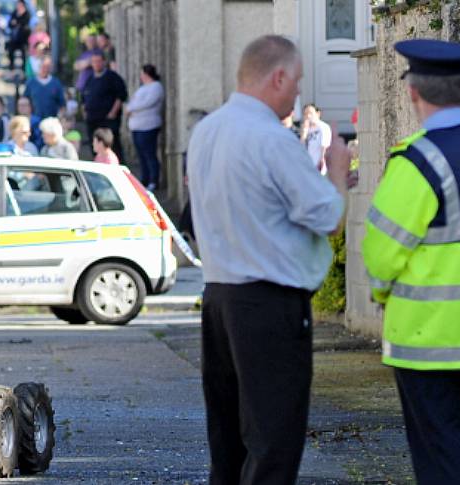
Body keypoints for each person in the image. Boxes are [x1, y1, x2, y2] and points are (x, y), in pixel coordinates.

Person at [187, 35, 350, 484]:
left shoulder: (206, 131)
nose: (298, 95)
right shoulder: (271, 139)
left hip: (219, 298)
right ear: (277, 77)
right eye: (296, 82)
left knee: (228, 446)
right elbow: (330, 216)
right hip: (268, 304)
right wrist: (336, 172)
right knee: (274, 442)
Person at [361, 39, 460, 485]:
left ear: (413, 92)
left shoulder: (416, 163)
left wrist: (379, 293)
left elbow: (381, 253)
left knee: (442, 460)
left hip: (428, 338)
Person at [82, 50, 127, 163]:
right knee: (95, 148)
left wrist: (113, 112)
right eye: (93, 62)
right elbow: (83, 96)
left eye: (98, 61)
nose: (96, 64)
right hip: (92, 119)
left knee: (113, 147)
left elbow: (121, 95)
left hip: (107, 121)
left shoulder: (112, 77)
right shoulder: (90, 79)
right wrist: (85, 111)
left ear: (103, 62)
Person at [127, 64, 164, 191]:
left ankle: (154, 180)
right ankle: (145, 178)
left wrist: (132, 108)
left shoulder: (156, 87)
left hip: (148, 126)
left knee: (149, 154)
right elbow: (133, 101)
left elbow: (147, 103)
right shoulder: (143, 88)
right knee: (141, 155)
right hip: (137, 126)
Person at [24, 56, 66, 121]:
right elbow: (24, 101)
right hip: (34, 121)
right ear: (39, 66)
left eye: (48, 67)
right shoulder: (31, 83)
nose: (45, 69)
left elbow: (62, 104)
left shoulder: (56, 83)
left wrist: (60, 118)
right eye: (43, 66)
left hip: (51, 121)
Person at [301, 103, 332, 173]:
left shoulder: (323, 126)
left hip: (320, 164)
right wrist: (304, 132)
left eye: (310, 113)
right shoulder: (306, 129)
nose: (308, 116)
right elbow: (301, 147)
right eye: (305, 114)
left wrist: (322, 160)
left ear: (318, 113)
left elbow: (325, 145)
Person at [7, 0, 31, 71]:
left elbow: (25, 23)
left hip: (23, 38)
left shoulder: (27, 13)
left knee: (24, 54)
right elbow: (10, 24)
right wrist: (16, 23)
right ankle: (12, 68)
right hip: (15, 38)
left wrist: (16, 22)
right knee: (10, 51)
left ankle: (24, 70)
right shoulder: (14, 12)